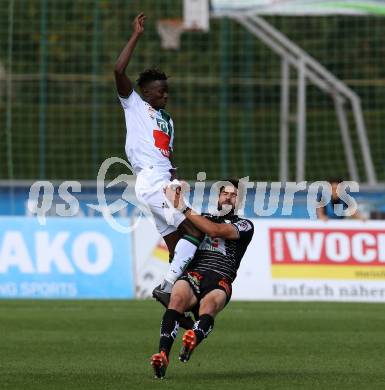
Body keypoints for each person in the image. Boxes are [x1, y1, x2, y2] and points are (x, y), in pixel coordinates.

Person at [114, 13, 203, 309]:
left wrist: (176, 181)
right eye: (160, 90)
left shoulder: (168, 120)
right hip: (151, 182)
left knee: (177, 245)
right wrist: (136, 35)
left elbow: (169, 155)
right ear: (146, 93)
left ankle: (175, 303)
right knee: (195, 231)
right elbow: (118, 69)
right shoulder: (135, 105)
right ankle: (167, 287)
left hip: (165, 182)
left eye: (166, 90)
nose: (165, 94)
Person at [150, 179, 254, 379]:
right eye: (225, 194)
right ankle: (163, 355)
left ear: (239, 202)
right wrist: (171, 193)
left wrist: (184, 207)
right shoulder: (202, 217)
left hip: (220, 277)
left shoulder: (244, 225)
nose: (229, 198)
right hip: (194, 273)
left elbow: (216, 231)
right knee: (177, 299)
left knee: (210, 306)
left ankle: (192, 339)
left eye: (234, 196)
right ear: (218, 197)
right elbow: (177, 234)